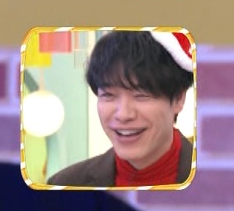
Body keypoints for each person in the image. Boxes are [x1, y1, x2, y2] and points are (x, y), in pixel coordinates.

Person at [48, 30, 195, 188]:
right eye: (108, 95)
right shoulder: (65, 184)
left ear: (178, 99)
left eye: (141, 95)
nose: (123, 114)